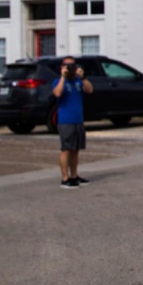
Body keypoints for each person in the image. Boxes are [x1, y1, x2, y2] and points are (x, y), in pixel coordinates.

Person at [53, 57, 93, 189]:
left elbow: (89, 90)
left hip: (78, 120)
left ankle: (74, 176)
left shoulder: (78, 81)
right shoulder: (58, 82)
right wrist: (63, 77)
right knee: (66, 150)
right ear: (62, 67)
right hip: (66, 121)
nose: (69, 67)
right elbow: (58, 93)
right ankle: (65, 178)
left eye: (72, 65)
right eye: (67, 65)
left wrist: (82, 77)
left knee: (75, 150)